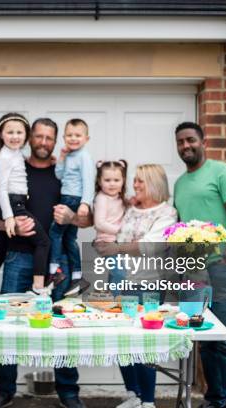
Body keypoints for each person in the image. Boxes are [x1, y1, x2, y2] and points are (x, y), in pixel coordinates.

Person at [0, 118, 91, 408]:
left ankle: (68, 391)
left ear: (55, 141)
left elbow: (87, 217)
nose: (43, 142)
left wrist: (72, 218)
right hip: (18, 257)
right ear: (30, 138)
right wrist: (9, 225)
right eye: (39, 137)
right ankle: (3, 390)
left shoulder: (64, 171)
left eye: (49, 138)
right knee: (7, 324)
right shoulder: (16, 164)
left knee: (63, 323)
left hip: (58, 264)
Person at [173, 122, 226, 408]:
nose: (185, 146)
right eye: (180, 142)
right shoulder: (180, 183)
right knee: (203, 337)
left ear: (203, 141)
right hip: (193, 271)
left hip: (223, 268)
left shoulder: (222, 172)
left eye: (190, 140)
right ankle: (215, 399)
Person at [96, 164, 177, 408]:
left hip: (147, 285)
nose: (135, 185)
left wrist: (117, 248)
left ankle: (148, 401)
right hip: (120, 281)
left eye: (141, 181)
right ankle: (134, 394)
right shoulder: (131, 209)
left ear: (154, 184)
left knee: (144, 342)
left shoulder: (167, 213)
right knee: (122, 340)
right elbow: (113, 229)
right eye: (136, 180)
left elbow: (149, 246)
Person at [0, 112, 51, 294]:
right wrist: (9, 217)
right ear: (1, 134)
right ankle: (38, 288)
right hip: (14, 204)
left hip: (19, 202)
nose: (15, 136)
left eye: (19, 132)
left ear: (26, 136)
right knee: (44, 242)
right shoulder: (4, 157)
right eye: (10, 132)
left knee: (3, 246)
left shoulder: (16, 154)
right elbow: (2, 190)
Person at [49, 118, 95, 296]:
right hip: (65, 196)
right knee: (69, 239)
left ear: (86, 138)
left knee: (55, 233)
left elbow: (88, 181)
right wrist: (61, 158)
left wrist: (85, 202)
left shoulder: (84, 156)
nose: (73, 138)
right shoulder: (69, 155)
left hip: (73, 199)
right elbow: (59, 175)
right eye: (69, 135)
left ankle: (55, 272)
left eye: (78, 135)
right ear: (63, 137)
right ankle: (77, 277)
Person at [93, 160, 128, 244]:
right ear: (99, 181)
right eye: (107, 180)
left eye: (116, 180)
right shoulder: (102, 199)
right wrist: (121, 230)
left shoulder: (119, 197)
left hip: (118, 240)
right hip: (106, 241)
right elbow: (100, 224)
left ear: (123, 181)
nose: (112, 184)